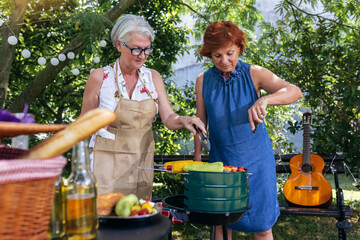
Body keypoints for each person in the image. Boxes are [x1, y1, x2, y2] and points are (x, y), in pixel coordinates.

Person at [194, 21, 303, 240]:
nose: (224, 61)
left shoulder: (255, 74)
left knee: (262, 226)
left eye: (230, 53)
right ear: (209, 55)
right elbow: (199, 123)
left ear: (240, 48)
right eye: (217, 55)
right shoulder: (203, 81)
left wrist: (266, 100)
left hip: (257, 162)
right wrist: (197, 160)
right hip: (221, 162)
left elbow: (295, 91)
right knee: (221, 225)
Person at [80, 14, 205, 199]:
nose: (143, 56)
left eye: (147, 49)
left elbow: (169, 118)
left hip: (140, 165)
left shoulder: (152, 77)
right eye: (136, 49)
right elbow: (81, 125)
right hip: (104, 165)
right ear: (119, 45)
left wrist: (184, 120)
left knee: (137, 218)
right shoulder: (100, 78)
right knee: (105, 221)